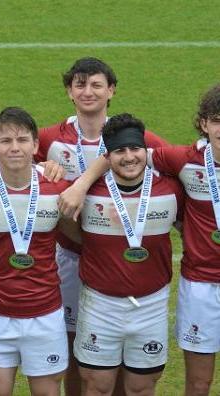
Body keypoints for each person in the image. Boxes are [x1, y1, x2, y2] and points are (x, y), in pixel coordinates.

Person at [35, 57, 169, 395]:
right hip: (68, 256)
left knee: (126, 353)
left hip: (120, 259)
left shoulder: (137, 138)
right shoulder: (50, 138)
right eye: (80, 84)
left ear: (111, 90)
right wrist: (44, 168)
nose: (88, 91)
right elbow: (10, 146)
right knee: (76, 344)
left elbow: (180, 166)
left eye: (96, 84)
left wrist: (81, 182)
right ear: (69, 91)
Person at [0, 107, 71, 396]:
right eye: (6, 141)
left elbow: (81, 236)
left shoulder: (58, 188)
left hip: (46, 315)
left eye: (22, 140)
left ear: (35, 145)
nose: (15, 147)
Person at [72, 113, 182, 396]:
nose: (129, 157)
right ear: (107, 156)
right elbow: (65, 229)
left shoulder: (171, 190)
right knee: (97, 387)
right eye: (120, 150)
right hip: (100, 306)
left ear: (146, 150)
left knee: (142, 388)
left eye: (135, 149)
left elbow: (189, 229)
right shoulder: (87, 193)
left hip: (152, 306)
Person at [147, 85, 220, 396]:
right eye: (218, 120)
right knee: (199, 383)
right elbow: (132, 151)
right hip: (201, 286)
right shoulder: (184, 160)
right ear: (203, 124)